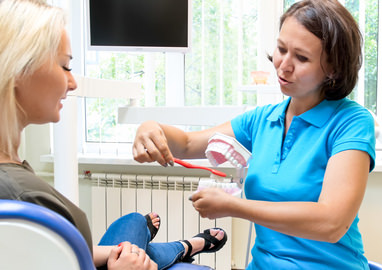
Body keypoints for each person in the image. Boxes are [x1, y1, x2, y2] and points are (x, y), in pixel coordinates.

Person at [133, 0, 375, 269]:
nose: (284, 65)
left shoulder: (351, 122)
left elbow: (331, 223)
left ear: (333, 69)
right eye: (281, 49)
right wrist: (150, 128)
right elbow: (189, 143)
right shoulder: (262, 120)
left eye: (302, 57)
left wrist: (234, 207)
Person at [0, 0, 226, 269]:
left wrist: (115, 257)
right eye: (65, 66)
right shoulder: (19, 195)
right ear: (18, 69)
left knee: (133, 222)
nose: (72, 83)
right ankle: (187, 247)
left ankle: (181, 246)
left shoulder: (14, 177)